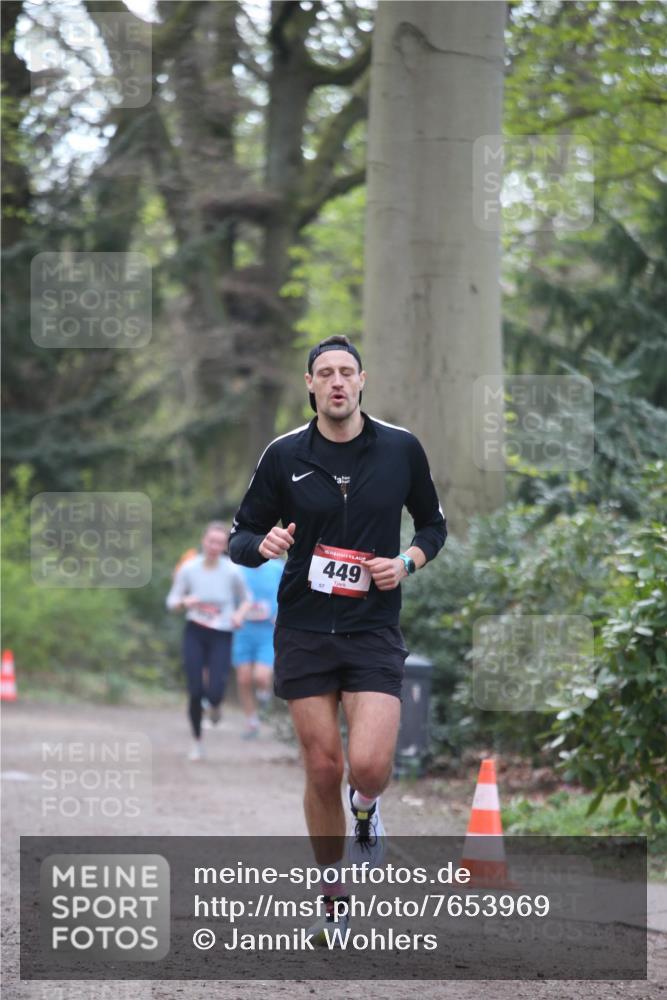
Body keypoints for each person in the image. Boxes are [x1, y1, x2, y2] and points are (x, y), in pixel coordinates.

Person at [229, 334, 446, 941]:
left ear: (362, 380)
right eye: (324, 373)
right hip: (304, 628)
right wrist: (262, 546)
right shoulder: (283, 454)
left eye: (346, 371)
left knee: (370, 767)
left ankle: (368, 811)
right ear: (310, 385)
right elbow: (243, 535)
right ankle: (333, 894)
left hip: (373, 627)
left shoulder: (401, 450)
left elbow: (433, 524)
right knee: (323, 767)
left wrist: (405, 563)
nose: (336, 382)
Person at [166, 521, 251, 761]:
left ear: (225, 546)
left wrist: (238, 615)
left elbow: (246, 600)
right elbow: (171, 601)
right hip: (195, 630)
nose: (214, 546)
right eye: (210, 541)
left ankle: (215, 705)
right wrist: (185, 602)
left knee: (214, 691)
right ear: (203, 541)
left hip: (222, 633)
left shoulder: (233, 571)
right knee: (195, 690)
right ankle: (197, 742)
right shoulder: (189, 568)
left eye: (219, 543)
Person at [233, 559, 284, 738]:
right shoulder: (237, 569)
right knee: (244, 679)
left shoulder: (277, 568)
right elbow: (228, 595)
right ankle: (251, 721)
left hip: (267, 630)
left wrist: (280, 613)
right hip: (243, 630)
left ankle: (264, 694)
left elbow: (289, 591)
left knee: (261, 676)